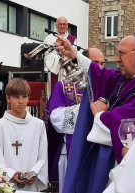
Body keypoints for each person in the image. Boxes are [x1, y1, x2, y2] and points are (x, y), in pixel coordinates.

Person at [55, 32, 135, 193]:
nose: (117, 59)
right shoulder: (128, 79)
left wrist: (100, 115)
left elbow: (129, 125)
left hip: (126, 167)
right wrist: (75, 55)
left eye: (121, 53)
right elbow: (101, 74)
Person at [42, 47, 105, 193]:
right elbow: (56, 118)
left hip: (98, 152)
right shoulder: (65, 86)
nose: (100, 68)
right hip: (72, 151)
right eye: (95, 63)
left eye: (103, 64)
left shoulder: (106, 89)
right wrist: (87, 111)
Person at [0, 78, 49, 192]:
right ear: (8, 98)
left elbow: (43, 156)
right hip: (7, 185)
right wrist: (11, 174)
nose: (21, 101)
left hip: (31, 185)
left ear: (28, 98)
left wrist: (33, 173)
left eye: (24, 96)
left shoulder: (38, 125)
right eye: (16, 97)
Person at [44, 16, 77, 96]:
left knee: (67, 91)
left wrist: (66, 57)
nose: (62, 26)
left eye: (64, 24)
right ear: (56, 25)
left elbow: (75, 54)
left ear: (67, 26)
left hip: (67, 70)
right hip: (54, 70)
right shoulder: (49, 38)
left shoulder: (72, 39)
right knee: (54, 92)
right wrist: (58, 58)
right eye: (60, 24)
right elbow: (45, 54)